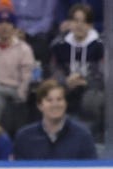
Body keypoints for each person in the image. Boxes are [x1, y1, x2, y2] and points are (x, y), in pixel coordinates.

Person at [0, 3, 36, 133]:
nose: (4, 27)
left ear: (13, 26)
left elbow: (27, 76)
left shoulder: (24, 50)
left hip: (13, 91)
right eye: (0, 23)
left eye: (8, 23)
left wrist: (21, 95)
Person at [48, 2, 104, 137]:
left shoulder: (100, 45)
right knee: (52, 94)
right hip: (66, 87)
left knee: (93, 99)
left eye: (84, 21)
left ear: (90, 25)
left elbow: (105, 73)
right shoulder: (59, 44)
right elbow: (53, 69)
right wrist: (65, 81)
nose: (79, 25)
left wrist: (86, 81)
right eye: (75, 20)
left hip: (92, 89)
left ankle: (93, 136)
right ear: (69, 23)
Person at [13, 77, 97, 158]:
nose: (55, 105)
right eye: (49, 100)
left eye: (59, 99)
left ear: (65, 103)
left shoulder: (83, 136)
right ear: (40, 105)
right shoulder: (24, 137)